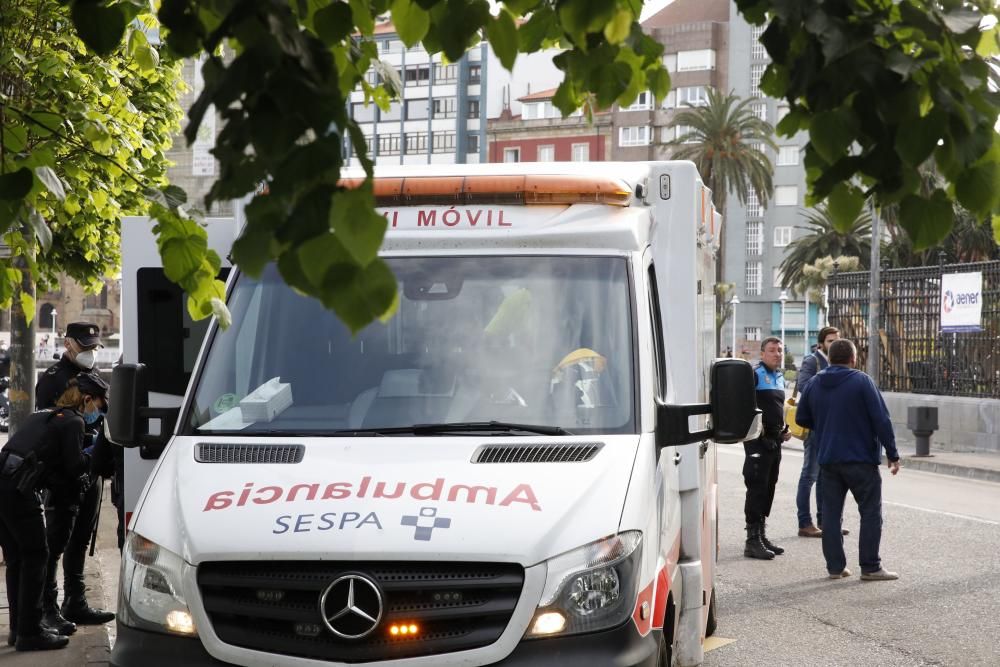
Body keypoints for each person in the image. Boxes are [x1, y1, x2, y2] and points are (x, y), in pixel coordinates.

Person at [0, 374, 108, 650]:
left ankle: (18, 628)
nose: (100, 411)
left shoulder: (42, 415)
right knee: (37, 555)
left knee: (16, 560)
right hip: (20, 489)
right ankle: (31, 632)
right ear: (86, 399)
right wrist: (95, 449)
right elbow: (74, 467)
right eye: (99, 404)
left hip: (4, 482)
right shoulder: (73, 421)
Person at [795, 339, 901, 581]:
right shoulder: (861, 381)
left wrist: (825, 425)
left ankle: (835, 567)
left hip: (829, 459)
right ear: (853, 359)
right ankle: (871, 567)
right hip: (861, 459)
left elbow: (802, 417)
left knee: (831, 515)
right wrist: (892, 454)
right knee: (871, 512)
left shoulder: (814, 382)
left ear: (829, 358)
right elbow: (881, 420)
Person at [34, 322, 116, 628]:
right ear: (68, 344)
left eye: (94, 347)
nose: (90, 353)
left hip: (90, 469)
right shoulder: (52, 381)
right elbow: (47, 430)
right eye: (85, 346)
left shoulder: (92, 377)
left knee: (79, 540)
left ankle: (75, 601)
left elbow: (105, 416)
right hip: (62, 473)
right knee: (54, 543)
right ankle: (47, 608)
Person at [794, 326, 849, 538]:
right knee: (809, 475)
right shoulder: (813, 361)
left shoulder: (838, 363)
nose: (834, 344)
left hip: (832, 427)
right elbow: (803, 386)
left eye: (837, 341)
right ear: (821, 344)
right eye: (830, 341)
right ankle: (804, 522)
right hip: (815, 426)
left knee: (826, 476)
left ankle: (825, 521)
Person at [743, 337, 791, 560]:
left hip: (775, 441)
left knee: (769, 487)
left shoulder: (780, 377)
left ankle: (761, 534)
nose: (777, 354)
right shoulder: (755, 374)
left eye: (780, 350)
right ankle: (752, 541)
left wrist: (782, 431)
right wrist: (761, 433)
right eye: (772, 350)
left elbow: (776, 409)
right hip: (758, 441)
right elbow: (745, 408)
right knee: (757, 487)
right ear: (762, 354)